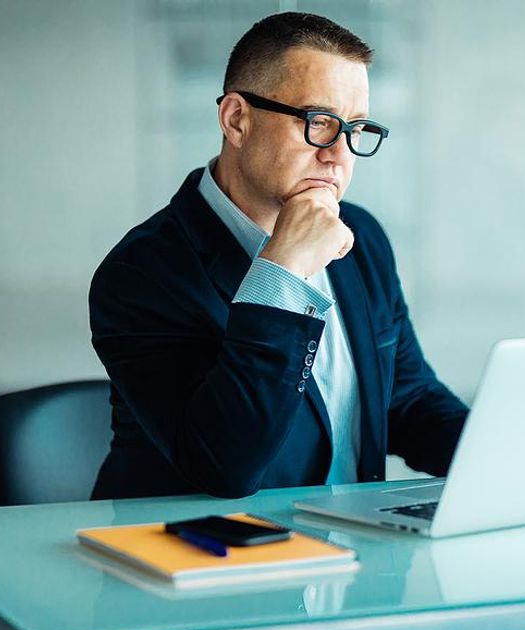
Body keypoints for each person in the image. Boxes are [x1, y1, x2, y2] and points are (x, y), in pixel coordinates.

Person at [88, 12, 469, 500]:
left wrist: (509, 459)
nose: (339, 154)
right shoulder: (141, 273)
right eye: (319, 123)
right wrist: (282, 272)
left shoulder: (362, 238)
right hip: (204, 556)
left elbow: (409, 400)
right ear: (236, 120)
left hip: (351, 549)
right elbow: (227, 466)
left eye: (355, 129)